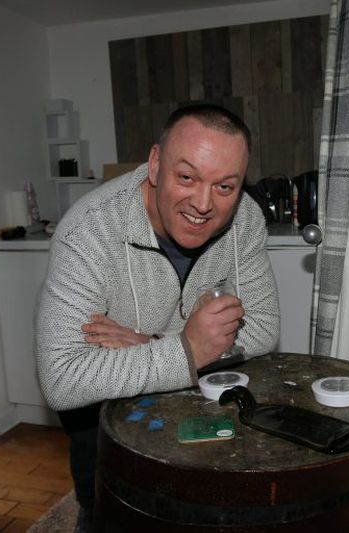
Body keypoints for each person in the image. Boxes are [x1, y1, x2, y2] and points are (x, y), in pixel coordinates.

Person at [35, 103, 280, 531]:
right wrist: (187, 348)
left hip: (200, 405)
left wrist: (157, 344)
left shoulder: (247, 220)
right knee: (110, 516)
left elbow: (262, 328)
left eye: (225, 187)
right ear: (154, 165)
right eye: (187, 177)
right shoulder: (87, 231)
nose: (203, 204)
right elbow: (62, 377)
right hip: (102, 422)